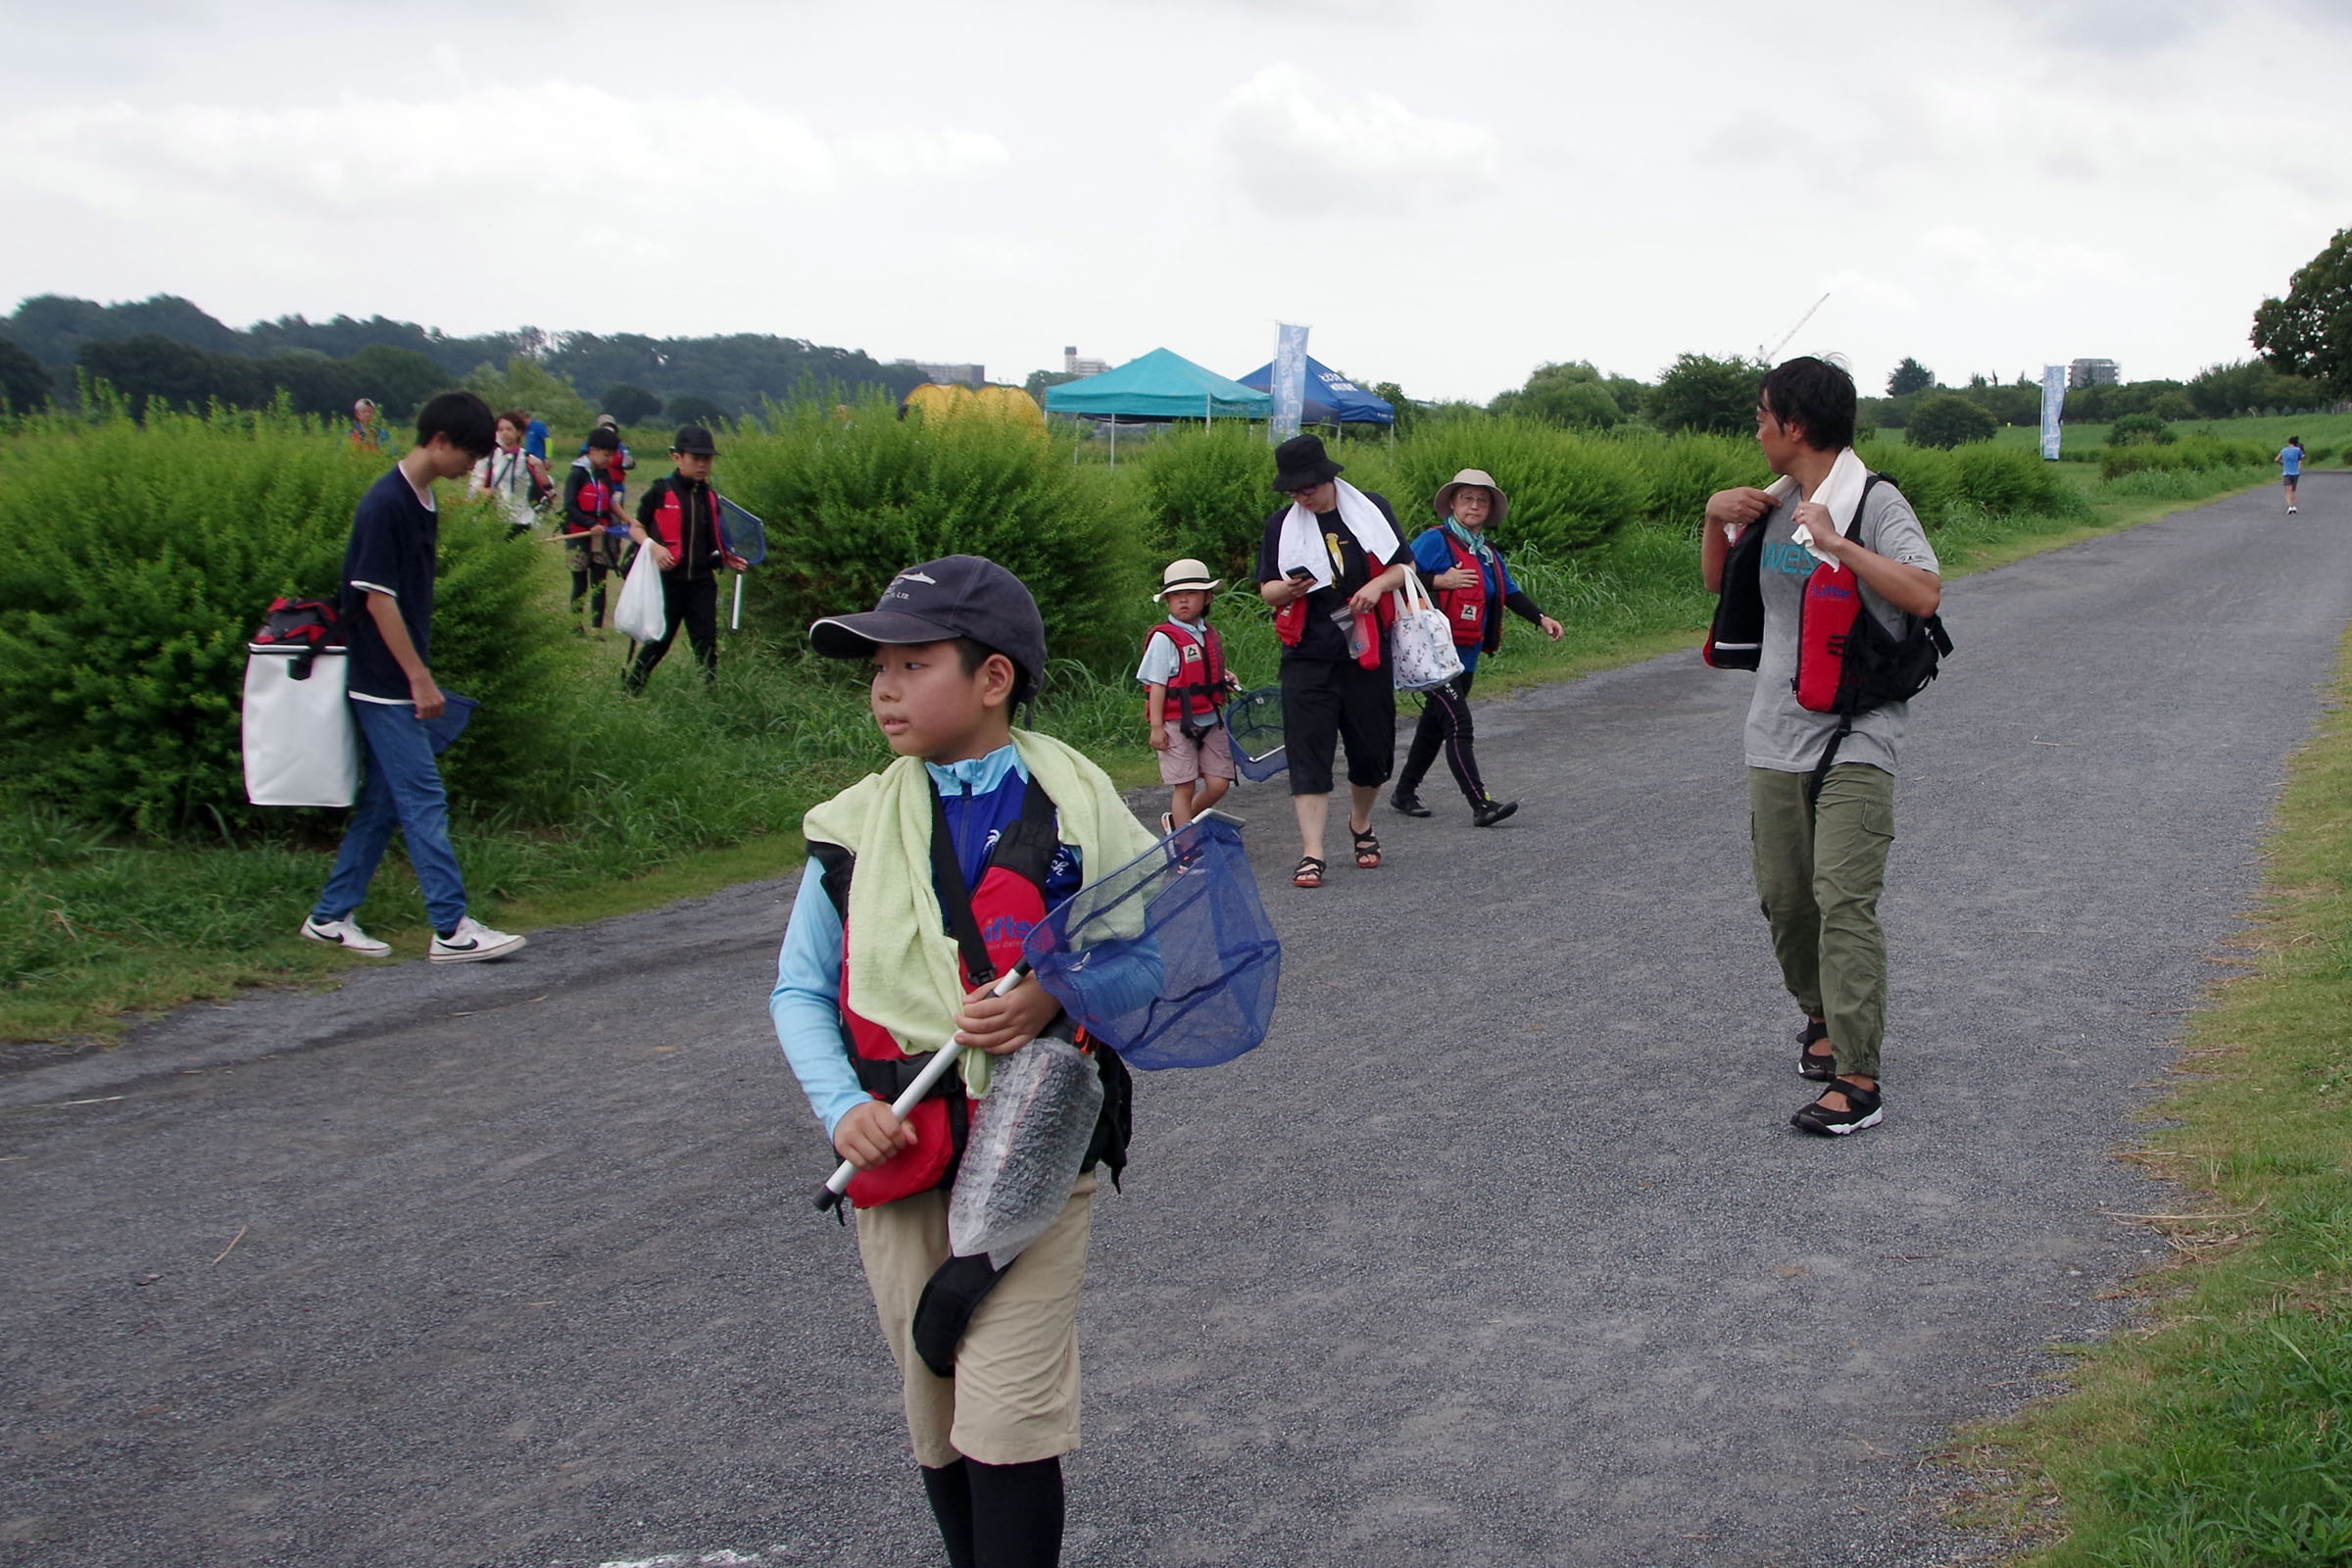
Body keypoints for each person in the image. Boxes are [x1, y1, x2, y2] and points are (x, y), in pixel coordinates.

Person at [769, 555, 1159, 1568]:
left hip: (1036, 1149)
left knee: (1007, 1414)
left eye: (913, 662)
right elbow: (800, 990)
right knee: (935, 1398)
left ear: (993, 679)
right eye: (878, 668)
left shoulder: (1077, 810)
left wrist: (1052, 992)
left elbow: (1145, 962)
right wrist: (838, 1106)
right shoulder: (850, 832)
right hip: (901, 1154)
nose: (885, 687)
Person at [1701, 356, 1940, 1136]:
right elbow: (1717, 587)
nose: (1757, 427)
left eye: (1763, 414)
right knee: (1787, 901)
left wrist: (1839, 542)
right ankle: (1821, 1015)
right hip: (1774, 734)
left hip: (1856, 733)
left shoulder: (1872, 501)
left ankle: (1858, 1076)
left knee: (1844, 899)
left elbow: (1923, 591)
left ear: (1794, 425)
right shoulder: (1768, 504)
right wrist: (1713, 519)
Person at [301, 390, 528, 965]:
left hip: (395, 678)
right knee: (423, 794)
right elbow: (377, 601)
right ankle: (450, 926)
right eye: (469, 455)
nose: (472, 467)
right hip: (383, 681)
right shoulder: (386, 504)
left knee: (384, 801)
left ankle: (330, 915)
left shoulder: (421, 497)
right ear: (440, 441)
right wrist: (419, 680)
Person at [1255, 433, 1410, 889]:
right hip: (1307, 651)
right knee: (1309, 752)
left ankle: (1360, 822)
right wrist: (1289, 589)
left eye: (1307, 488)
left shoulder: (1371, 509)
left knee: (1371, 753)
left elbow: (1404, 566)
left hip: (1365, 650)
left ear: (1328, 478)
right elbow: (1267, 589)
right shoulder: (1280, 526)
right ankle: (1312, 852)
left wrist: (1378, 586)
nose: (1300, 498)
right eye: (1293, 492)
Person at [1392, 468, 1564, 827]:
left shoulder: (1485, 552)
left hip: (1464, 657)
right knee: (1459, 725)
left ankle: (1404, 792)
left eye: (1481, 500)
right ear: (1452, 503)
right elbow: (1397, 576)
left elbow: (1510, 592)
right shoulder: (1433, 541)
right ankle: (1480, 803)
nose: (1474, 506)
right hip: (1433, 658)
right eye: (1467, 498)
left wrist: (1542, 618)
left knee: (1433, 727)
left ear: (1489, 510)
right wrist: (1442, 579)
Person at [623, 425, 743, 691]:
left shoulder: (710, 497)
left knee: (706, 642)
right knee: (660, 640)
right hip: (668, 581)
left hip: (701, 581)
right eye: (695, 458)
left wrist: (726, 558)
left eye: (707, 459)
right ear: (677, 457)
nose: (702, 465)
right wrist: (653, 547)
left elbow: (712, 539)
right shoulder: (660, 491)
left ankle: (710, 696)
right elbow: (636, 527)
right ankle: (632, 689)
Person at [1137, 558, 1240, 831]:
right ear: (1168, 601)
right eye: (1175, 596)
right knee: (1184, 784)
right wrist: (1156, 728)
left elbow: (1203, 668)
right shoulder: (1164, 639)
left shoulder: (1207, 634)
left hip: (1209, 717)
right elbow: (1157, 685)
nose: (1183, 601)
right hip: (1175, 723)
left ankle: (1178, 823)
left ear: (1206, 598)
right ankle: (1185, 846)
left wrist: (1224, 677)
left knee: (1219, 782)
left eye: (1191, 594)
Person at [563, 427, 626, 632]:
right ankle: (576, 624)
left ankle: (596, 628)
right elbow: (569, 506)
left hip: (601, 536)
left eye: (612, 456)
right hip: (579, 534)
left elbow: (610, 502)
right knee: (580, 582)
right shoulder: (577, 474)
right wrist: (590, 525)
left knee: (599, 582)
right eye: (606, 455)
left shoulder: (604, 475)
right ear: (592, 450)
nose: (609, 460)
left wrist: (627, 520)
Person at [470, 408, 554, 533]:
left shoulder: (527, 459)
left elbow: (548, 492)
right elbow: (475, 481)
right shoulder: (489, 458)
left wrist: (540, 468)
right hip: (493, 517)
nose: (504, 433)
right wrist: (482, 490)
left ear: (519, 432)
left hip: (521, 518)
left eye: (509, 429)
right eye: (500, 429)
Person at [2278, 436, 2304, 514]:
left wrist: (2282, 463)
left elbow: (2276, 459)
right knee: (2293, 490)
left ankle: (2290, 506)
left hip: (2286, 472)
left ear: (2289, 442)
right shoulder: (2298, 450)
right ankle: (2294, 506)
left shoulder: (2284, 450)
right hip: (2295, 472)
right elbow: (2299, 459)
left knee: (2288, 491)